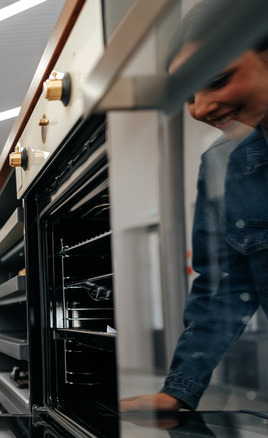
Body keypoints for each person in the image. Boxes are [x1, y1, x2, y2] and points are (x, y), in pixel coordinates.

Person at [120, 0, 268, 413]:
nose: (201, 108)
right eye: (188, 94)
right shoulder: (223, 163)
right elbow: (222, 285)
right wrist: (178, 391)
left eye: (218, 79)